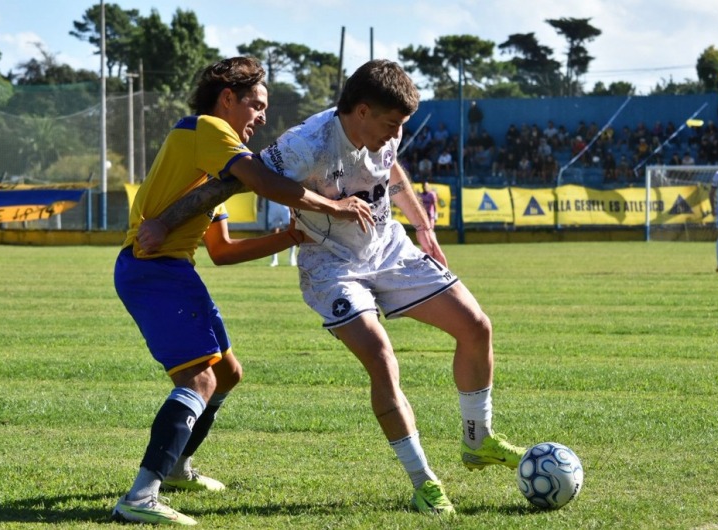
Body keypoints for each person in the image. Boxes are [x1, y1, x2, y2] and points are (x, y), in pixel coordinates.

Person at [140, 59, 525, 517]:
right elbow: (233, 181)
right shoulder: (307, 143)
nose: (395, 132)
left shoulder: (390, 132)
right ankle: (425, 483)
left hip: (389, 250)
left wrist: (423, 227)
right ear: (360, 111)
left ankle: (478, 441)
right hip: (331, 266)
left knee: (477, 326)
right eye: (390, 123)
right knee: (382, 358)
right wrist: (163, 222)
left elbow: (392, 169)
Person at [112, 56, 372, 526]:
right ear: (227, 98)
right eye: (256, 104)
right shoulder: (207, 128)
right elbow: (263, 180)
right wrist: (333, 206)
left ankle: (175, 470)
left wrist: (289, 237)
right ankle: (140, 495)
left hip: (172, 269)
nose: (262, 117)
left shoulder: (212, 166)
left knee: (226, 374)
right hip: (154, 270)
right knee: (201, 381)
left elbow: (222, 251)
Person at [266, 200, 297, 267]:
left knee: (290, 231)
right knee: (274, 233)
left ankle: (291, 257)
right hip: (272, 203)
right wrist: (259, 202)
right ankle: (274, 259)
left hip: (285, 204)